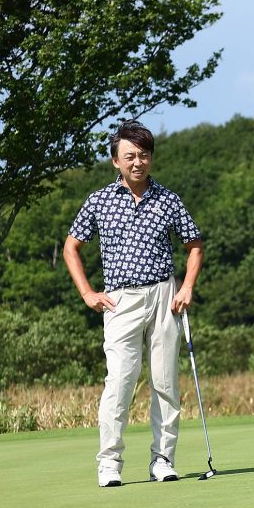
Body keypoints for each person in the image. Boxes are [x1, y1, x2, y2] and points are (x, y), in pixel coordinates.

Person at [63, 120, 204, 487]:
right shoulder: (99, 200)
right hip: (119, 300)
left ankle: (163, 460)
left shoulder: (168, 199)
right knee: (120, 383)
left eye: (144, 155)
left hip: (164, 296)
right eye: (130, 156)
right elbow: (71, 247)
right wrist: (87, 293)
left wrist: (187, 287)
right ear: (116, 161)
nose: (138, 162)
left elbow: (194, 246)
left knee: (165, 383)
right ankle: (109, 464)